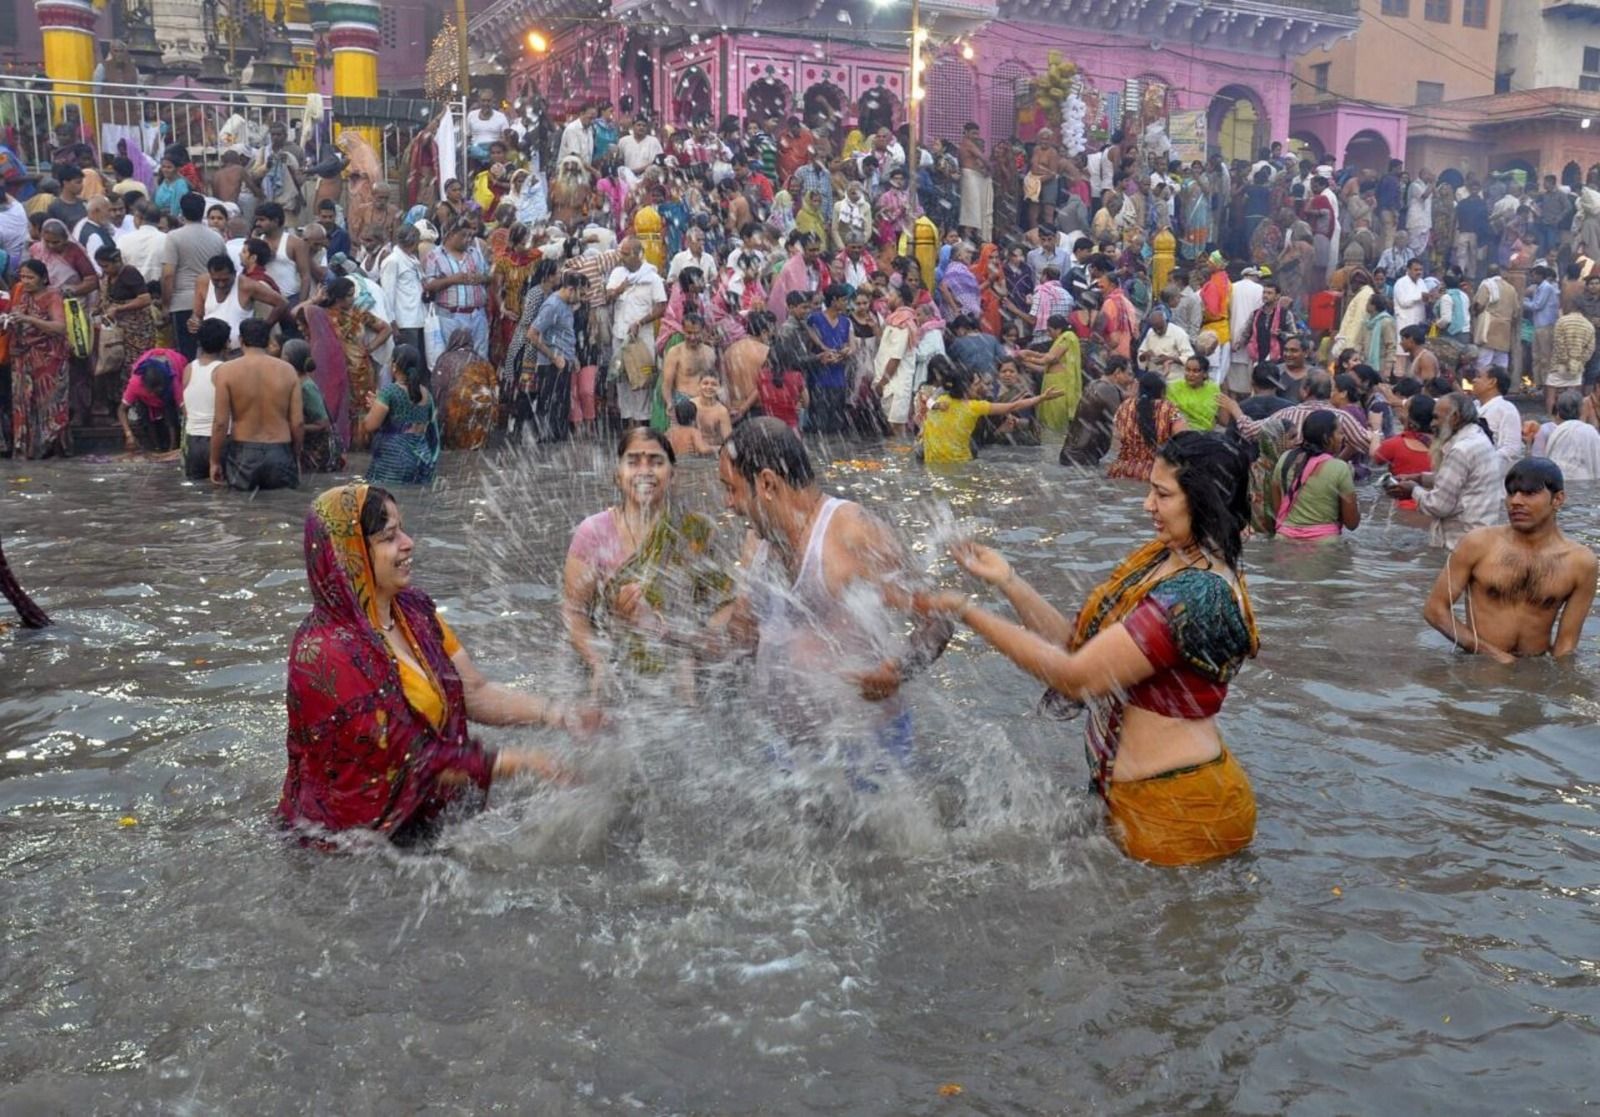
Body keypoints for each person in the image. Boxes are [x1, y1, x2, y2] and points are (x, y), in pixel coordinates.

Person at [914, 432, 1259, 866]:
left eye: (1162, 494)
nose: (1147, 504)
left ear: (1205, 500)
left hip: (1184, 811)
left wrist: (966, 611)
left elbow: (1076, 678)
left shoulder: (1197, 594)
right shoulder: (1162, 561)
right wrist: (1007, 581)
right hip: (1145, 797)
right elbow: (1077, 647)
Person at [280, 484, 585, 843]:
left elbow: (474, 690)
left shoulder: (411, 611)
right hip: (354, 847)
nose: (409, 543)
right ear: (351, 555)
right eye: (389, 537)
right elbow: (408, 757)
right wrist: (523, 761)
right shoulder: (324, 654)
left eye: (403, 530)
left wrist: (561, 714)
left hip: (430, 815)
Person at [716, 418, 951, 779]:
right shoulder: (757, 543)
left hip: (867, 750)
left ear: (766, 483)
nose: (728, 504)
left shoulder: (850, 531)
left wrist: (898, 670)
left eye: (731, 489)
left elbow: (938, 618)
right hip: (785, 750)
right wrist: (662, 632)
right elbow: (741, 642)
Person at [563, 427, 730, 696]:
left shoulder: (694, 530)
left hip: (681, 669)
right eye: (633, 461)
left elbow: (725, 605)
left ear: (672, 474)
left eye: (656, 461)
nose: (645, 471)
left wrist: (693, 642)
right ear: (618, 475)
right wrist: (599, 662)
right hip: (615, 664)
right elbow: (575, 613)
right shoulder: (593, 533)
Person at [1422, 459, 1596, 661]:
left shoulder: (1581, 563)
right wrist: (1491, 654)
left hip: (1534, 668)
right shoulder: (1478, 544)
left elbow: (1566, 645)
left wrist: (1559, 685)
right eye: (1511, 493)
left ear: (1558, 499)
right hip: (1477, 664)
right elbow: (1435, 609)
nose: (1515, 501)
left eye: (1529, 493)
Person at [1387, 392, 1506, 549]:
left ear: (1455, 417)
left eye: (1436, 418)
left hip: (1460, 544)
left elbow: (1438, 506)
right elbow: (1459, 481)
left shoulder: (1461, 449)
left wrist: (1413, 490)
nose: (1432, 424)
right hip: (1480, 537)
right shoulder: (1477, 437)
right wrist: (1419, 478)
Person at [209, 317, 303, 491]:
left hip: (244, 454)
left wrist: (214, 461)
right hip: (280, 450)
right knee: (283, 510)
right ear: (268, 341)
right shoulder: (288, 371)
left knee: (242, 512)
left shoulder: (226, 371)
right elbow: (297, 423)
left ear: (242, 341)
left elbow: (220, 423)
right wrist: (295, 455)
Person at [919, 358, 1061, 465]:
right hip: (960, 463)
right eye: (977, 384)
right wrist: (1043, 397)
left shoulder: (939, 400)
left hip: (932, 462)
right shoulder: (974, 407)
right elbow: (1013, 406)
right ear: (965, 388)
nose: (981, 387)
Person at [7, 259, 71, 459]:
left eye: (30, 277)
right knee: (25, 402)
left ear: (43, 278)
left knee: (49, 404)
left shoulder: (52, 296)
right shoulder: (21, 294)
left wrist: (29, 319)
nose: (25, 281)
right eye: (23, 277)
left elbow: (60, 327)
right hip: (23, 357)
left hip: (48, 360)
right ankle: (28, 449)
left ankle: (51, 448)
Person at [1265, 410, 1359, 540]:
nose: (1343, 438)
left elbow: (1277, 506)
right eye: (1340, 433)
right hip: (1324, 544)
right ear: (1327, 438)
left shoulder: (1285, 458)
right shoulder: (1340, 468)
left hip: (1284, 539)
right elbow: (1352, 523)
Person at [607, 236, 668, 427]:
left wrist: (641, 322)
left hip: (641, 338)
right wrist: (618, 290)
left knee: (642, 378)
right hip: (619, 336)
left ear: (638, 255)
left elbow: (661, 307)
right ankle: (627, 421)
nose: (622, 257)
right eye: (621, 253)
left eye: (625, 254)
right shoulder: (617, 273)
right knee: (621, 378)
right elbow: (606, 297)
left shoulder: (652, 278)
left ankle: (642, 422)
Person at [161, 192, 226, 361]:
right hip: (210, 302)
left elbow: (168, 275)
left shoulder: (174, 237)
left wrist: (166, 305)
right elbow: (225, 269)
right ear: (203, 210)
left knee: (186, 355)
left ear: (182, 211)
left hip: (182, 303)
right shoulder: (216, 237)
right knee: (213, 353)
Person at [362, 344, 438, 486]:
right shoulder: (427, 394)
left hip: (393, 460)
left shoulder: (389, 392)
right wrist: (378, 406)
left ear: (395, 366)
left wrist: (373, 409)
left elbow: (370, 425)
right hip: (422, 459)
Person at [525, 273, 584, 443]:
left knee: (561, 405)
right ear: (570, 289)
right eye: (579, 293)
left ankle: (558, 439)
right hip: (550, 364)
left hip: (564, 361)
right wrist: (553, 357)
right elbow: (532, 334)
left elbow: (565, 334)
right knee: (549, 404)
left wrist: (572, 357)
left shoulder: (567, 304)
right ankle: (545, 441)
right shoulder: (552, 306)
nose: (581, 298)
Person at [1108, 372, 1186, 482]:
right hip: (1156, 472)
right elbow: (1183, 438)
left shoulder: (1125, 407)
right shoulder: (1168, 409)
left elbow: (1116, 436)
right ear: (1162, 391)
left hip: (1122, 470)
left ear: (1140, 389)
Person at [1060, 356, 1134, 468]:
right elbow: (1122, 427)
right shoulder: (1108, 390)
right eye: (1129, 374)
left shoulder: (1094, 384)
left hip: (1072, 456)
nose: (1131, 380)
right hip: (1083, 459)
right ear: (1118, 372)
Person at [282, 338, 343, 473]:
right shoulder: (296, 382)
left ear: (286, 359)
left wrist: (296, 427)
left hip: (318, 451)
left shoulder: (306, 387)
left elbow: (323, 424)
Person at [1018, 313, 1082, 436]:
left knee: (1057, 424)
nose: (1048, 333)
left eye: (1049, 330)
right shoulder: (1060, 340)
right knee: (1049, 425)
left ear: (1058, 329)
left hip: (1059, 386)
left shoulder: (1067, 336)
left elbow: (1048, 359)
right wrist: (1027, 359)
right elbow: (1044, 364)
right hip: (1052, 385)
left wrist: (1027, 357)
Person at [180, 318, 229, 479]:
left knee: (196, 498)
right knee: (224, 496)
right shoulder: (223, 371)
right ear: (226, 344)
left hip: (193, 443)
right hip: (219, 442)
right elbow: (224, 418)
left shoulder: (189, 369)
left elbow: (186, 408)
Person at [1374, 394, 1435, 509]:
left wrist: (1375, 430)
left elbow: (1375, 457)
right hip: (1434, 504)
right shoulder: (1445, 445)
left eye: (1404, 409)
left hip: (1404, 506)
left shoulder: (1395, 444)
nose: (1400, 411)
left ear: (1411, 420)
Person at [118, 351, 182, 452]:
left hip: (169, 391)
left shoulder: (173, 382)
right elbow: (122, 410)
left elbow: (184, 409)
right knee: (145, 416)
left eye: (157, 392)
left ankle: (173, 446)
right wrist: (128, 434)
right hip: (144, 398)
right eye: (151, 392)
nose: (154, 395)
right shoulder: (135, 384)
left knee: (171, 415)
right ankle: (155, 446)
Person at [1470, 365, 1523, 467]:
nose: (1473, 380)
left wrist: (1482, 462)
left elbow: (1511, 449)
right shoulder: (1473, 406)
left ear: (1492, 382)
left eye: (1479, 377)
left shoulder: (1506, 409)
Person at [1549, 301, 1596, 416]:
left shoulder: (1561, 321)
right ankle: (1573, 417)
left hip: (1558, 366)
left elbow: (1558, 344)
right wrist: (1578, 362)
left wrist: (1566, 361)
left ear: (1571, 307)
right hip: (1577, 368)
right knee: (1574, 396)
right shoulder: (1589, 326)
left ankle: (1552, 418)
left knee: (1551, 395)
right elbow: (1590, 349)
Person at [1542, 390, 1600, 480]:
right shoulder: (1589, 431)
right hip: (1583, 481)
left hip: (1557, 478)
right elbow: (1596, 459)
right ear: (1580, 409)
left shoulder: (1557, 431)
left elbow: (1548, 457)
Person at [1166, 354, 1222, 431]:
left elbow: (1220, 417)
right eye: (1187, 370)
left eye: (1195, 371)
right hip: (1181, 433)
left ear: (1205, 374)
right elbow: (1170, 415)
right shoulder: (1174, 388)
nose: (1190, 374)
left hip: (1206, 434)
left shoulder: (1213, 389)